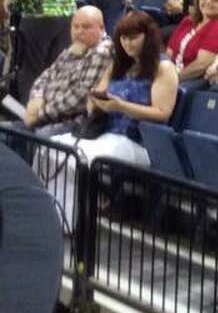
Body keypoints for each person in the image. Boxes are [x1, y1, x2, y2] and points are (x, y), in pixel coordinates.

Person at [43, 11, 180, 226]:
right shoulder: (118, 64)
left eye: (133, 37)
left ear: (148, 37)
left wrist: (121, 106)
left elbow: (162, 113)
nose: (127, 43)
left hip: (137, 141)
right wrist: (94, 102)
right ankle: (54, 216)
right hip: (105, 133)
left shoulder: (163, 67)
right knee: (50, 149)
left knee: (82, 158)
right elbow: (95, 98)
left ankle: (74, 220)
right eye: (123, 38)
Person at [23, 6, 113, 135]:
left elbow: (80, 98)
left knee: (30, 137)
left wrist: (40, 113)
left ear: (101, 28)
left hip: (71, 122)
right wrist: (36, 98)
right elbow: (45, 77)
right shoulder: (76, 47)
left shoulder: (102, 52)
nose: (79, 31)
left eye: (86, 27)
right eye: (75, 27)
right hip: (42, 116)